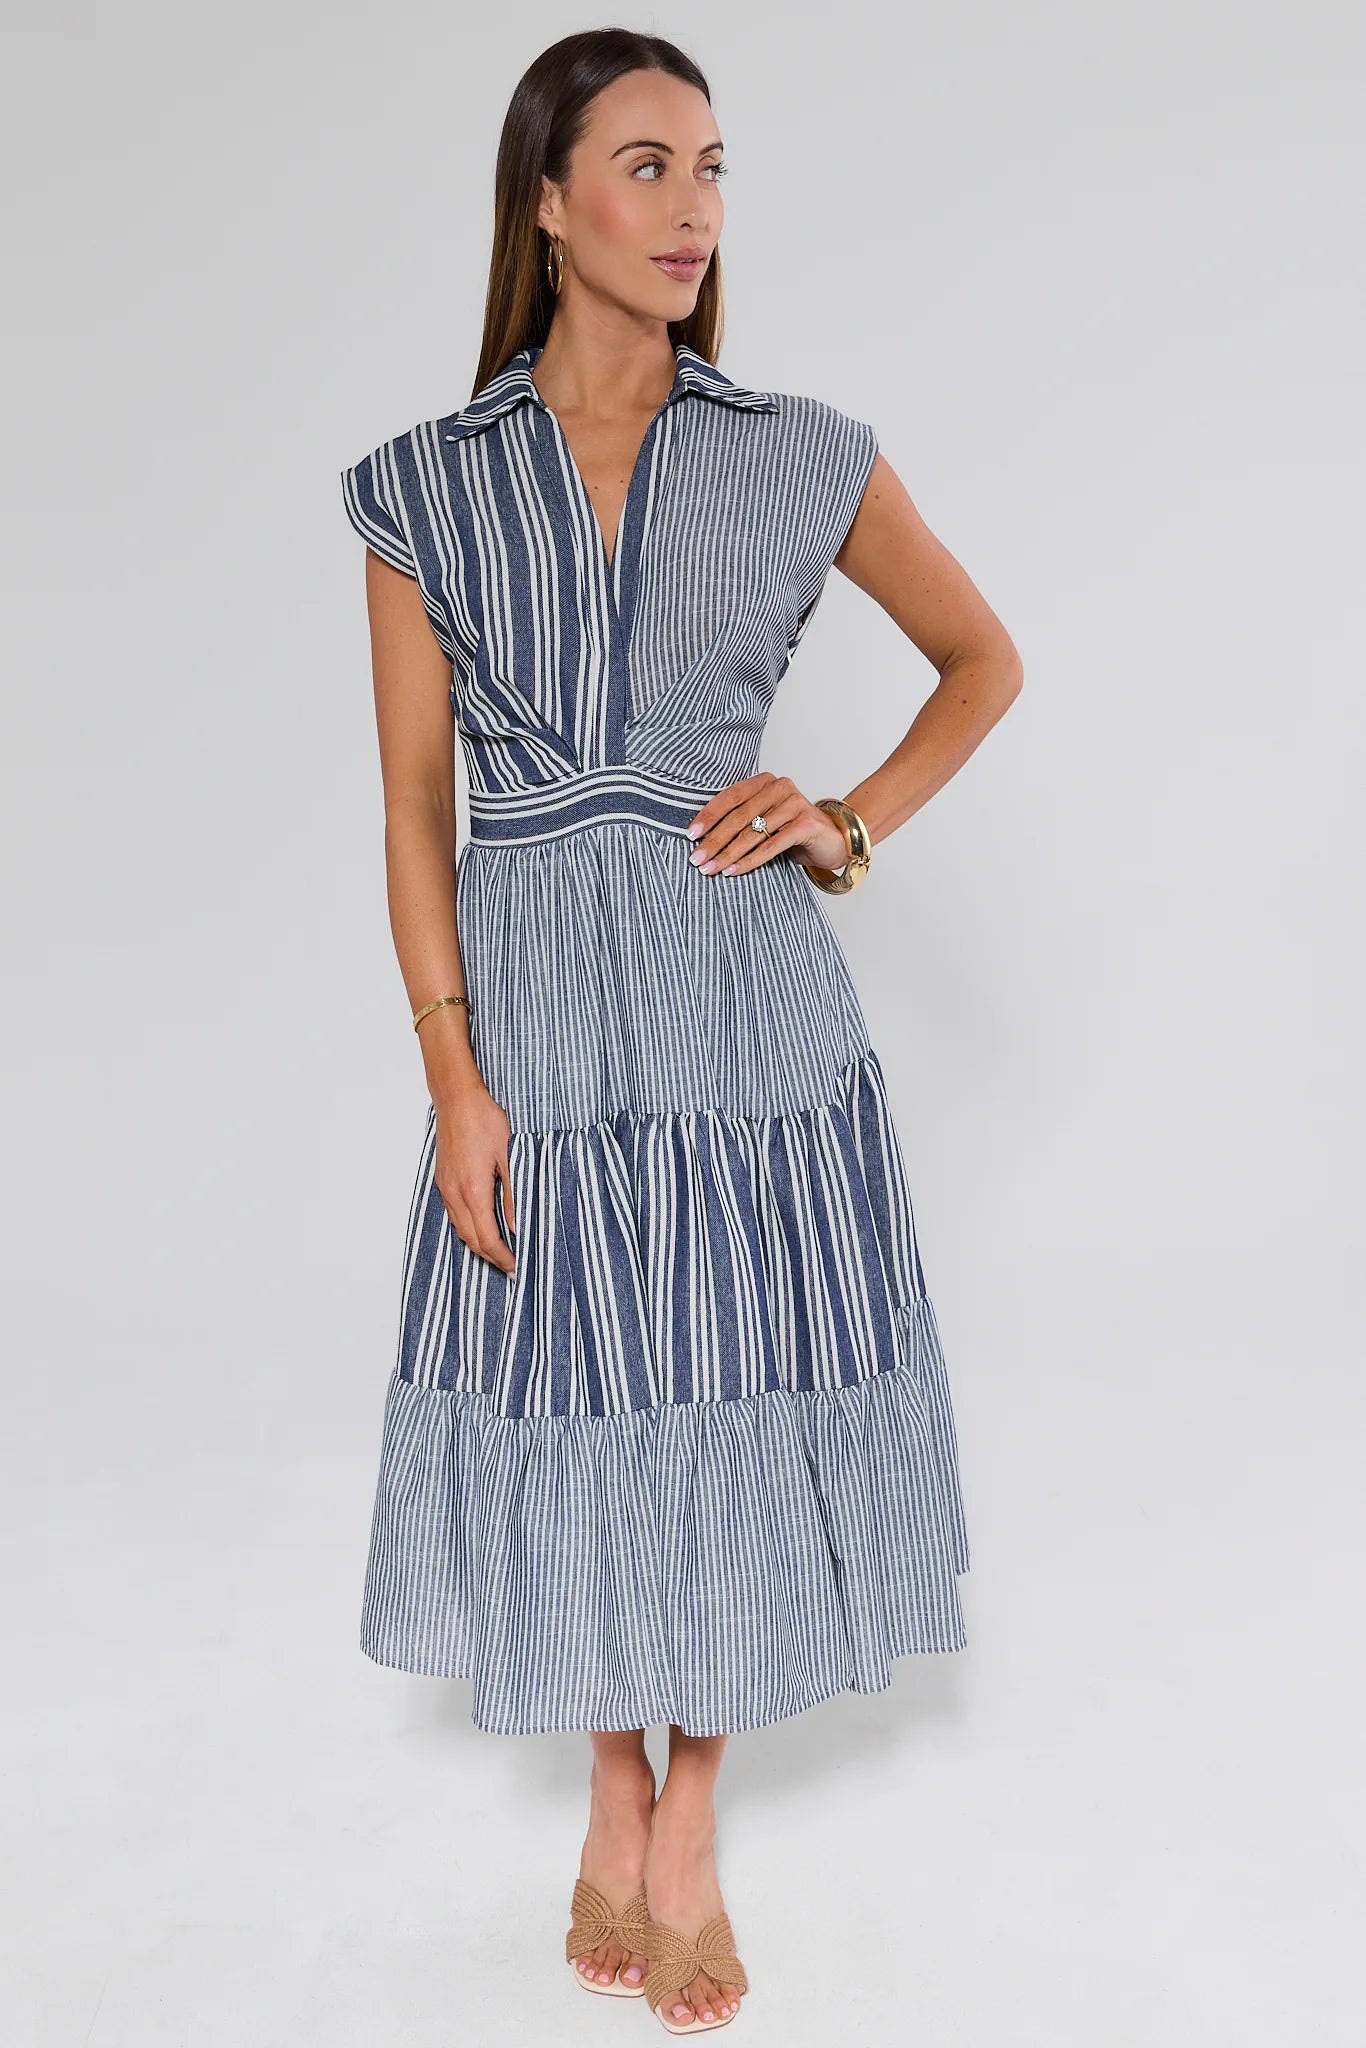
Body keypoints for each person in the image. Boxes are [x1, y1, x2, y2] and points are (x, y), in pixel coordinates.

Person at [339, 27, 1022, 2037]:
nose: (695, 206)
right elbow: (407, 805)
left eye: (712, 166)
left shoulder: (793, 446)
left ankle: (688, 1813)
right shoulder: (423, 490)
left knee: (728, 1376)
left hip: (742, 1000)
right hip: (539, 1003)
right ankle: (604, 1779)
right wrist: (451, 1071)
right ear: (545, 201)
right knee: (583, 1375)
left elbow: (982, 659)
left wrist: (843, 823)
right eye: (646, 165)